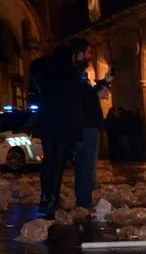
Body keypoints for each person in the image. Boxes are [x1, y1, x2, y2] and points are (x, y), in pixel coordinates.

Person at [30, 44, 82, 218]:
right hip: (62, 122)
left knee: (48, 160)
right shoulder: (70, 73)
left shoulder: (45, 71)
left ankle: (45, 197)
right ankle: (54, 196)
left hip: (46, 120)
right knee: (58, 162)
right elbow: (74, 100)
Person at [71, 38, 112, 209]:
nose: (90, 56)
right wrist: (96, 95)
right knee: (86, 168)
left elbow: (85, 95)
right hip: (86, 126)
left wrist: (105, 82)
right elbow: (79, 99)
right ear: (79, 54)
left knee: (86, 168)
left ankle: (84, 201)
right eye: (88, 52)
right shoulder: (74, 74)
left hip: (87, 125)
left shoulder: (79, 74)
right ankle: (84, 203)